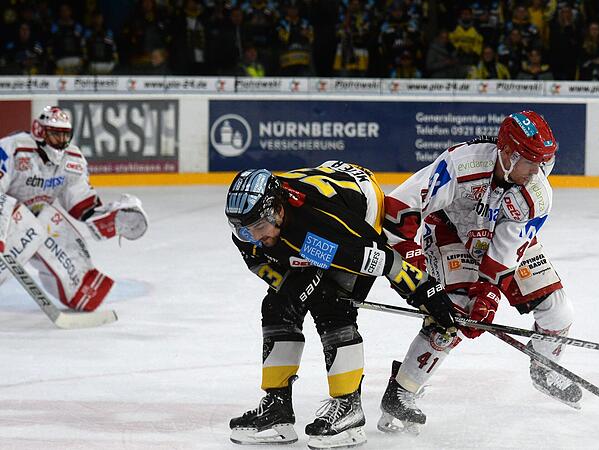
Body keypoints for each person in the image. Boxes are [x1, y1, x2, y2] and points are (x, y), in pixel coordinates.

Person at [224, 161, 457, 448]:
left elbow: (384, 260)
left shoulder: (319, 228)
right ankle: (277, 407)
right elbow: (265, 266)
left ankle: (349, 409)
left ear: (276, 209)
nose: (255, 238)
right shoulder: (246, 232)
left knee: (332, 304)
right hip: (323, 197)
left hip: (360, 204)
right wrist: (291, 291)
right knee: (278, 305)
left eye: (259, 227)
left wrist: (427, 294)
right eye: (246, 231)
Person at [377, 111, 579, 435]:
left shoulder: (537, 193)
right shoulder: (461, 164)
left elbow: (507, 249)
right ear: (509, 154)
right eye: (531, 161)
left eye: (543, 161)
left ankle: (544, 367)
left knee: (558, 311)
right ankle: (403, 390)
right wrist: (411, 263)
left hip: (498, 240)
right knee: (451, 316)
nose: (538, 171)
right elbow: (400, 207)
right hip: (449, 233)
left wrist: (486, 291)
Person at [0, 106, 148, 312]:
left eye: (64, 136)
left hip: (37, 219)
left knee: (82, 288)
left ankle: (78, 286)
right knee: (24, 222)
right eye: (54, 134)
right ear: (39, 131)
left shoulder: (72, 160)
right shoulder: (12, 148)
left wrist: (110, 217)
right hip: (6, 219)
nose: (60, 142)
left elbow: (82, 203)